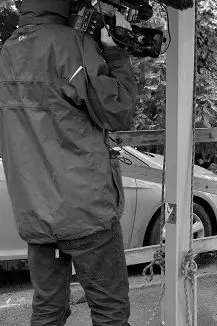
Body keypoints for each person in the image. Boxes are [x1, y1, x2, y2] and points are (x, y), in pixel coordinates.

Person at [0, 0, 137, 325]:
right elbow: (119, 111)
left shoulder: (7, 53)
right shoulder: (72, 46)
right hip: (85, 210)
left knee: (47, 310)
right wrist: (114, 53)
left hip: (36, 212)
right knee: (110, 313)